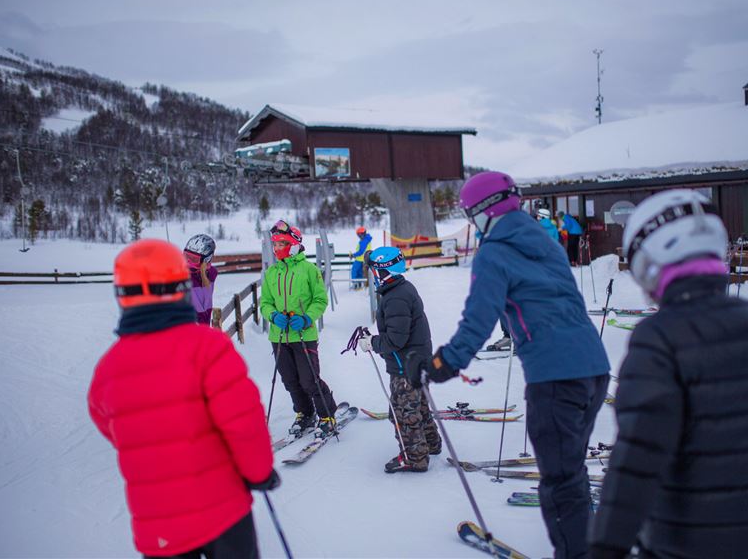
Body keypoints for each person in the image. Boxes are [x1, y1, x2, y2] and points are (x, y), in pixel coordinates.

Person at [589, 189, 748, 559]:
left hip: (687, 543)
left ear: (650, 267)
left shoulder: (658, 338)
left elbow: (637, 460)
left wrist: (604, 548)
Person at [417, 171, 610, 559]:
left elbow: (479, 318)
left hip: (555, 378)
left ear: (486, 212)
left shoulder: (494, 252)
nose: (472, 223)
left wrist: (444, 362)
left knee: (560, 483)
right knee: (571, 473)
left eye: (472, 215)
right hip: (594, 370)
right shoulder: (547, 243)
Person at [88, 239, 278, 559]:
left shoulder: (108, 369)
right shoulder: (208, 347)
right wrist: (259, 473)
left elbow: (112, 428)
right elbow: (244, 422)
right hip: (222, 509)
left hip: (158, 525)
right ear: (179, 285)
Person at [358, 246, 442, 473]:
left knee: (404, 412)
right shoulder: (401, 289)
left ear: (384, 271)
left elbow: (396, 339)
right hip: (416, 362)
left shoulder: (395, 297)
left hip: (405, 367)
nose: (372, 275)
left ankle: (415, 457)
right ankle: (431, 444)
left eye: (374, 270)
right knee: (419, 406)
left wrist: (373, 343)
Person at [260, 219, 338, 438]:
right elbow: (265, 302)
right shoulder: (272, 273)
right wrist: (273, 316)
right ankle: (304, 413)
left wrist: (306, 318)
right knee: (290, 380)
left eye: (281, 244)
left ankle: (327, 414)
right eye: (274, 244)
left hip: (303, 334)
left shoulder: (308, 270)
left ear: (293, 244)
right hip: (279, 335)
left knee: (309, 379)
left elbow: (320, 300)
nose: (276, 249)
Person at [184, 234, 218, 325]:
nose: (188, 262)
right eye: (186, 256)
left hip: (201, 328)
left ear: (207, 259)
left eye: (194, 259)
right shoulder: (181, 278)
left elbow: (203, 308)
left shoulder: (210, 275)